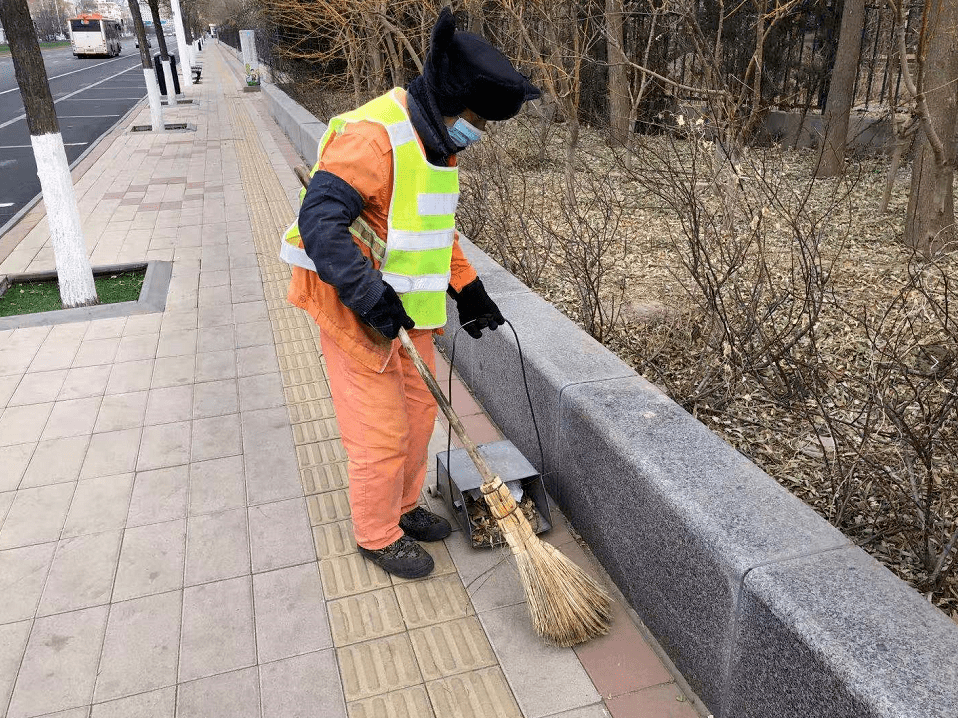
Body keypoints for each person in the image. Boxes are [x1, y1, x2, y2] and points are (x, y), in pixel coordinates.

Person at [280, 8, 540, 579]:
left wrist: (469, 291)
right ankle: (376, 534)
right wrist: (370, 299)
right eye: (477, 119)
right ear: (452, 102)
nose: (478, 132)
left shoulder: (436, 141)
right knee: (380, 433)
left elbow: (431, 227)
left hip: (409, 314)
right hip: (357, 310)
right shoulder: (374, 137)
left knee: (419, 417)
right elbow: (321, 222)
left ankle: (401, 507)